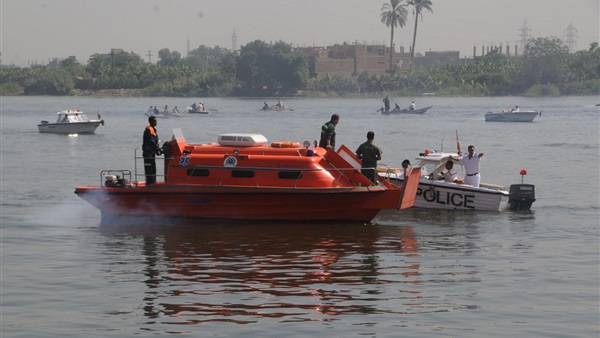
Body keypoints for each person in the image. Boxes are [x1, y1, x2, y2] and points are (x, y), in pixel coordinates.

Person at [142, 116, 161, 185]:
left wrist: (158, 149)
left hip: (152, 152)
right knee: (149, 168)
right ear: (150, 122)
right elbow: (150, 140)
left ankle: (153, 182)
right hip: (147, 153)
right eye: (154, 121)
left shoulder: (154, 130)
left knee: (153, 168)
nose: (156, 122)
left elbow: (156, 141)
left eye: (156, 121)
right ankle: (149, 183)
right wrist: (157, 148)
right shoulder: (148, 129)